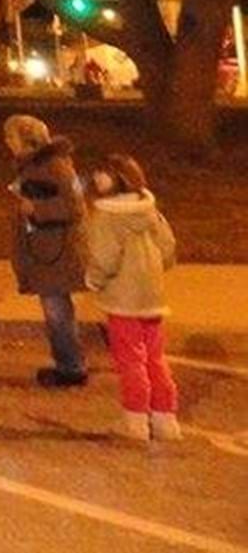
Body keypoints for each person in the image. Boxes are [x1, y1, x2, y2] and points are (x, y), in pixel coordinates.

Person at [85, 154, 179, 442]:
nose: (96, 179)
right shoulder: (149, 212)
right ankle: (165, 419)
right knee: (155, 357)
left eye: (102, 174)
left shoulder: (107, 217)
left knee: (130, 360)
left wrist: (94, 280)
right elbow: (167, 249)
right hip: (152, 296)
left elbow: (104, 258)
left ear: (116, 180)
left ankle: (135, 420)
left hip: (123, 300)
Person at [2, 114, 88, 387]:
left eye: (11, 136)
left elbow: (76, 207)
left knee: (57, 311)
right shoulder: (33, 167)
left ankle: (71, 367)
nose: (7, 142)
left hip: (57, 253)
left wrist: (36, 210)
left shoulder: (57, 166)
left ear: (27, 139)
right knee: (56, 310)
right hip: (46, 251)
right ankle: (67, 363)